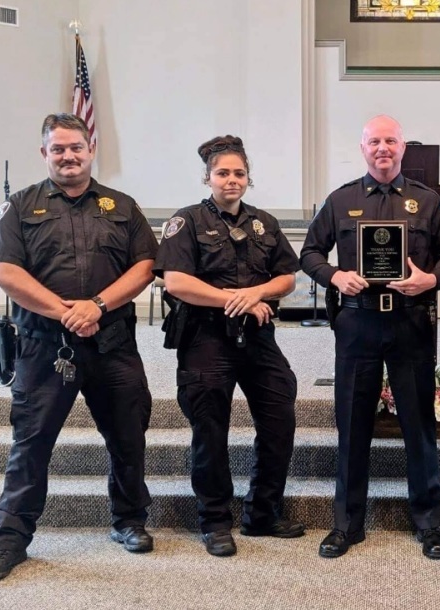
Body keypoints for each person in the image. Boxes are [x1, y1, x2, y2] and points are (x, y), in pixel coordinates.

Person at [0, 113, 158, 582]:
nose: (68, 156)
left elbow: (143, 268)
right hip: (43, 347)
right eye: (57, 149)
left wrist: (95, 306)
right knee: (31, 444)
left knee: (127, 438)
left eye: (75, 147)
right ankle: (11, 540)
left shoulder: (123, 205)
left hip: (112, 343)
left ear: (90, 148)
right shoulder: (18, 206)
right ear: (45, 154)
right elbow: (5, 272)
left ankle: (129, 520)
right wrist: (66, 312)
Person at [300, 115, 440, 559]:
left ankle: (430, 525)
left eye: (390, 140)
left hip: (411, 323)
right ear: (363, 147)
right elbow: (309, 252)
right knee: (352, 426)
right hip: (358, 324)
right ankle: (346, 525)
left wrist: (431, 280)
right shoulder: (340, 200)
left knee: (418, 426)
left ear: (403, 147)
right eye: (374, 141)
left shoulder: (428, 202)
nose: (382, 148)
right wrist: (334, 276)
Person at [153, 135, 303, 557]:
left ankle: (263, 513)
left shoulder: (264, 223)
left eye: (239, 173)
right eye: (223, 173)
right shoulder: (186, 221)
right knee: (210, 432)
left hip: (257, 339)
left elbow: (287, 278)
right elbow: (177, 281)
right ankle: (215, 521)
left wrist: (254, 295)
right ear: (208, 177)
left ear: (248, 179)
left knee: (279, 421)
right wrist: (236, 300)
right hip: (205, 338)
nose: (231, 180)